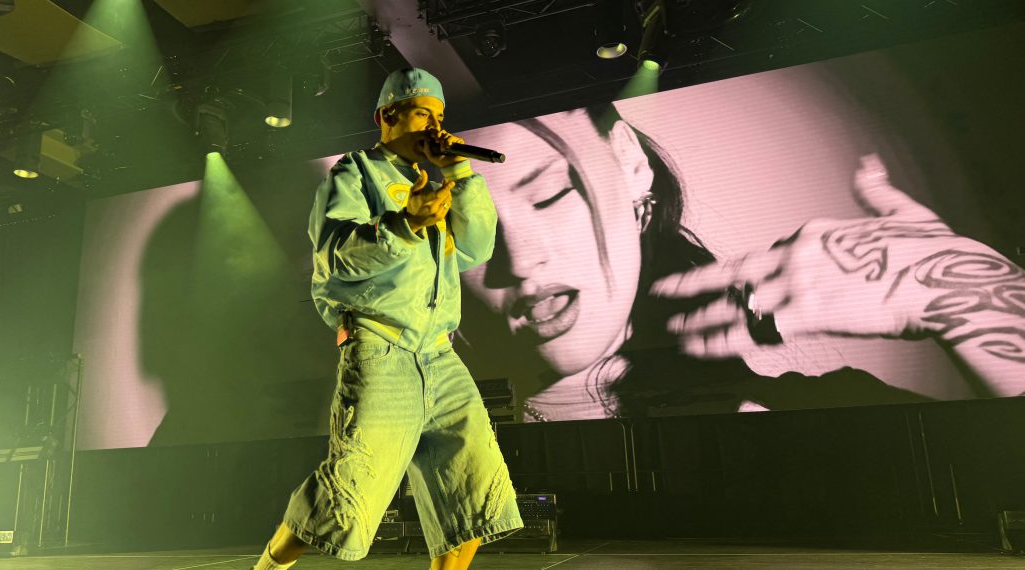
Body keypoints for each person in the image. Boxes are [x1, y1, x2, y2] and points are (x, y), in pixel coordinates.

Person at [458, 105, 1025, 422]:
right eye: (463, 223)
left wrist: (967, 293)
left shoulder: (818, 418)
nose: (521, 256)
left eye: (552, 193)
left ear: (630, 164)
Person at [251, 68, 523, 570]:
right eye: (423, 113)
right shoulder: (354, 175)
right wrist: (407, 222)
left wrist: (460, 174)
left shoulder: (438, 183)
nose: (435, 127)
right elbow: (335, 260)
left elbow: (477, 249)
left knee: (474, 493)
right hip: (381, 349)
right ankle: (267, 567)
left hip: (439, 354)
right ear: (386, 117)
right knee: (346, 493)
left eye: (440, 116)